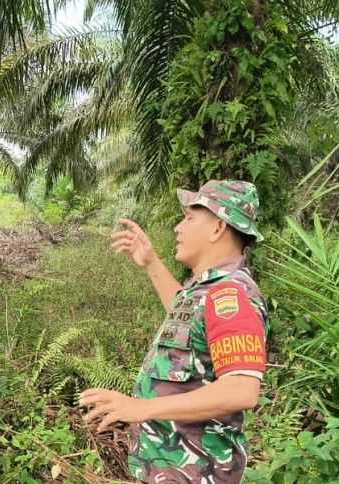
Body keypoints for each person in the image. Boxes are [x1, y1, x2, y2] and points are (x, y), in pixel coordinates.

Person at [80, 180, 268, 484]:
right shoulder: (206, 290)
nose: (178, 228)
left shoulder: (230, 295)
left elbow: (240, 389)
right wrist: (151, 263)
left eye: (189, 218)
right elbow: (185, 321)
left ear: (218, 228)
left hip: (197, 473)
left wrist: (141, 408)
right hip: (172, 470)